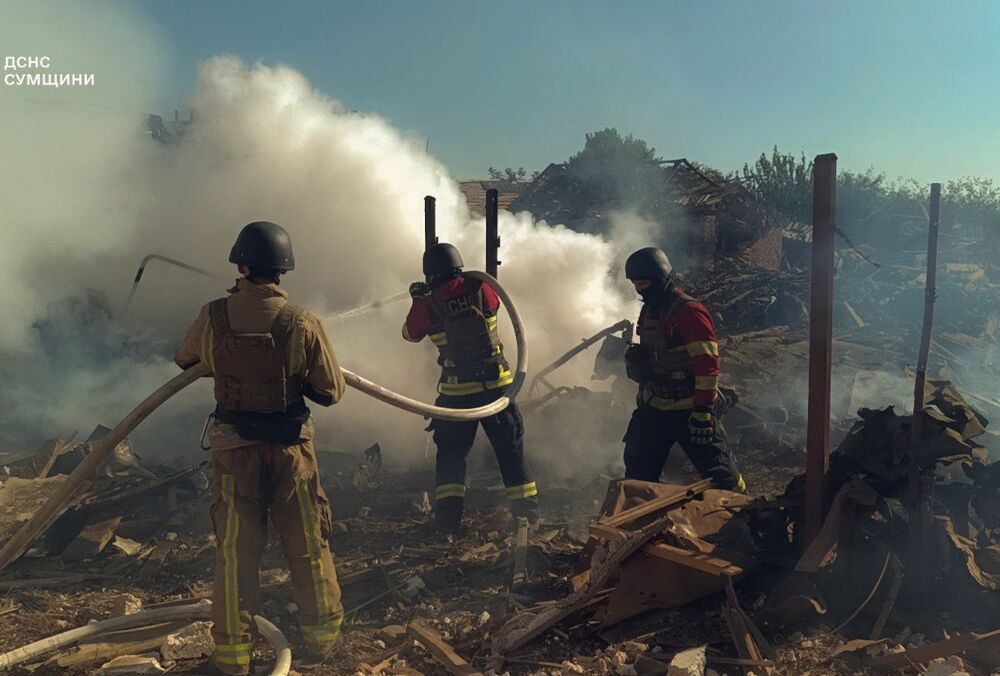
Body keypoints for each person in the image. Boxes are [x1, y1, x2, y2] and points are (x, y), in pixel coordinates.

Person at [174, 221, 345, 673]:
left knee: (236, 553)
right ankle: (321, 642)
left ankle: (233, 657)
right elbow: (331, 391)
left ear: (242, 265)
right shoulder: (303, 322)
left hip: (234, 455)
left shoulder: (213, 316)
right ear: (282, 270)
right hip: (291, 454)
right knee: (308, 545)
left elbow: (185, 359)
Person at [403, 243, 538, 532]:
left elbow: (410, 334)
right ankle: (527, 516)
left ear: (429, 273)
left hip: (456, 396)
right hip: (497, 390)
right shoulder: (483, 289)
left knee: (451, 457)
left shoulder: (429, 303)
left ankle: (448, 522)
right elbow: (500, 303)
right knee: (511, 452)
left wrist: (418, 300)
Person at [621, 246, 746, 492]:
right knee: (637, 475)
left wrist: (702, 411)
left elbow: (708, 366)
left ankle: (746, 516)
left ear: (660, 278)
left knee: (722, 477)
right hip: (655, 407)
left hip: (690, 410)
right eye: (635, 283)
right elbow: (651, 358)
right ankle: (643, 525)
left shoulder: (688, 311)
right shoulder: (650, 310)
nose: (639, 289)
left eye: (643, 282)